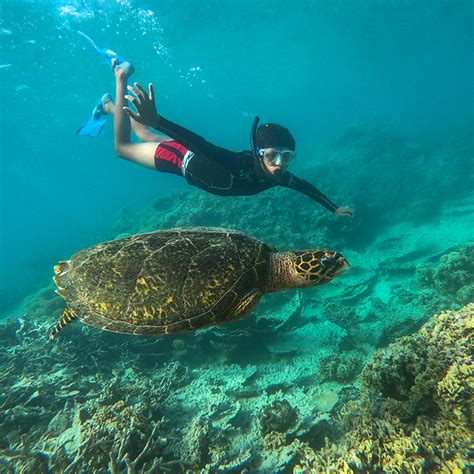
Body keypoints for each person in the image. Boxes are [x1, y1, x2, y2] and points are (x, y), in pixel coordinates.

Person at [87, 59, 354, 217]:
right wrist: (159, 121)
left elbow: (306, 187)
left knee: (144, 132)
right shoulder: (238, 165)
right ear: (259, 153)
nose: (280, 164)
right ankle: (120, 78)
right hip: (179, 158)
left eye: (287, 157)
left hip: (187, 152)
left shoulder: (280, 177)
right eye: (272, 155)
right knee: (123, 148)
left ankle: (109, 107)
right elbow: (202, 145)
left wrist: (335, 208)